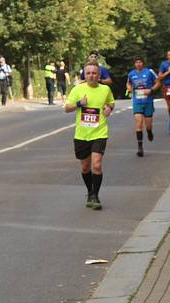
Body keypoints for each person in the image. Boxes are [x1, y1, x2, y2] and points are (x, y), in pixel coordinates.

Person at [65, 60, 115, 210]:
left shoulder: (105, 89)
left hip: (99, 133)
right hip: (82, 135)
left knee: (96, 165)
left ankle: (95, 196)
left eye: (94, 73)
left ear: (99, 75)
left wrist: (109, 109)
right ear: (84, 75)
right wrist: (80, 103)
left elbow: (111, 103)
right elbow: (67, 108)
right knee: (85, 167)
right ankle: (90, 191)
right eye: (88, 73)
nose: (91, 76)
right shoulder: (78, 89)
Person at [126, 56, 160, 157]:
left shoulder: (149, 72)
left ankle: (149, 132)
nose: (138, 64)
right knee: (138, 123)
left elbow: (158, 82)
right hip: (137, 102)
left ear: (143, 63)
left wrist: (151, 90)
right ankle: (140, 148)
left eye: (140, 62)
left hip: (148, 101)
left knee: (148, 125)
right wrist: (130, 89)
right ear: (134, 64)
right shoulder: (131, 74)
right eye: (136, 62)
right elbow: (128, 83)